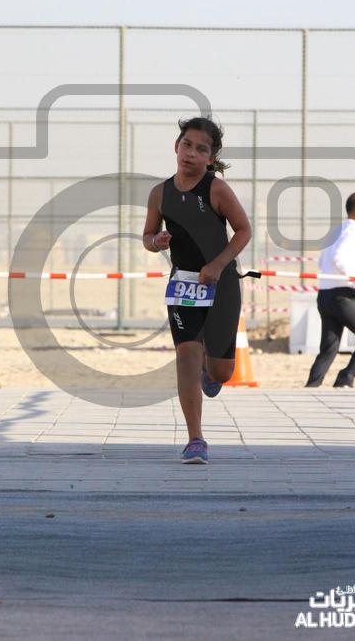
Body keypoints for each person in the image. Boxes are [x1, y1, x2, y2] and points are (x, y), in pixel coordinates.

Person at [143, 117, 252, 464]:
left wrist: (218, 265)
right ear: (176, 146)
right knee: (186, 354)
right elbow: (147, 237)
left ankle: (211, 368)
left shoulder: (216, 190)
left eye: (200, 149)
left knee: (221, 373)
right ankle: (195, 439)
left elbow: (244, 230)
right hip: (184, 285)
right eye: (187, 145)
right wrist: (156, 241)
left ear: (210, 157)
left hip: (221, 284)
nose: (191, 153)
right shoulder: (160, 193)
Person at [305, 192, 355, 389]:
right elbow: (339, 258)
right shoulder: (353, 233)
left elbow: (323, 261)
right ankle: (344, 379)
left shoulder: (337, 231)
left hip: (325, 295)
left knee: (329, 347)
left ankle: (311, 387)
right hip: (343, 297)